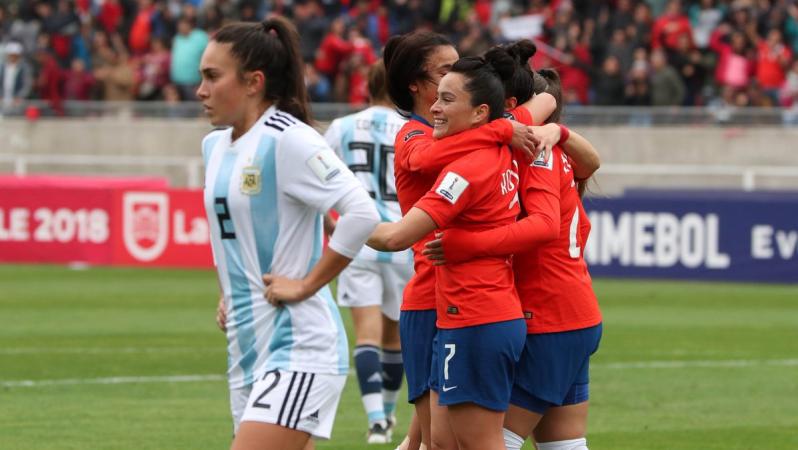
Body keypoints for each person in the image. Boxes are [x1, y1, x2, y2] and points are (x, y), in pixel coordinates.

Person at [198, 16, 380, 450]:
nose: (201, 90)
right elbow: (231, 233)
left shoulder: (289, 139)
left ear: (253, 82)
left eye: (212, 76)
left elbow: (361, 212)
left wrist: (306, 284)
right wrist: (229, 293)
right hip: (246, 348)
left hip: (299, 346)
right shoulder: (214, 146)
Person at [382, 30, 546, 450]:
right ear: (415, 84)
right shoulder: (415, 135)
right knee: (436, 441)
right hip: (431, 297)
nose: (453, 75)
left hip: (467, 304)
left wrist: (519, 129)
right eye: (443, 71)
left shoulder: (476, 141)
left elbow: (546, 99)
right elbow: (423, 159)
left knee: (443, 442)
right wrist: (499, 129)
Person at [423, 70, 603, 450]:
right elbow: (592, 164)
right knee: (564, 445)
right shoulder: (550, 150)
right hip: (573, 314)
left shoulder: (536, 155)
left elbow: (543, 226)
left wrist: (465, 245)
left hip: (547, 315)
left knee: (490, 440)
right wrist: (560, 133)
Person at [323, 60, 410, 444]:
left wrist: (332, 225)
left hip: (358, 241)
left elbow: (315, 178)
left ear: (367, 88)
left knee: (367, 335)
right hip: (403, 239)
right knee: (395, 338)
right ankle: (388, 414)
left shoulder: (342, 127)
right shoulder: (412, 128)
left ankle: (376, 421)